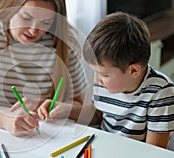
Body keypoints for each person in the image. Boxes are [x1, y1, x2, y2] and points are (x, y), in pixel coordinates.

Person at [0, 0, 86, 136]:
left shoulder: (66, 41)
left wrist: (56, 107)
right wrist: (3, 119)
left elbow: (80, 105)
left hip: (43, 132)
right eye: (26, 18)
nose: (33, 31)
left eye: (46, 22)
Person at [38, 12, 174, 149]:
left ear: (133, 71)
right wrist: (66, 110)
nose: (96, 80)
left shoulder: (161, 93)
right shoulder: (106, 83)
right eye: (95, 72)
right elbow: (98, 114)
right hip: (103, 147)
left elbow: (155, 151)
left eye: (103, 74)